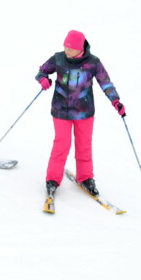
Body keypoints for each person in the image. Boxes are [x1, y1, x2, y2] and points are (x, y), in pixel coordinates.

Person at [36, 30, 125, 197]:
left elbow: (105, 82)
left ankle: (85, 178)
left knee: (84, 145)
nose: (66, 51)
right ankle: (53, 179)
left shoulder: (93, 62)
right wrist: (43, 79)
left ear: (80, 49)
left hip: (84, 112)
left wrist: (115, 101)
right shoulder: (58, 58)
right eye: (65, 47)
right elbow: (41, 71)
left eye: (70, 49)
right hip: (60, 110)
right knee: (61, 144)